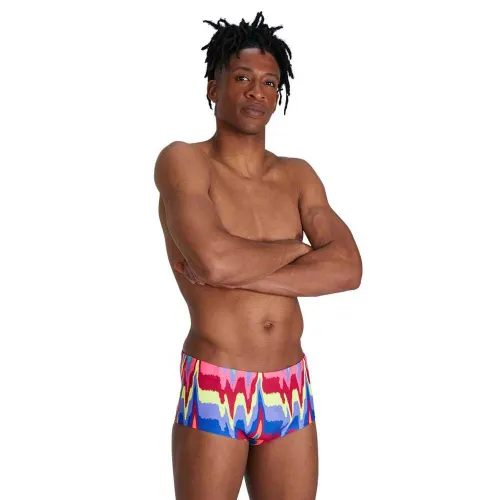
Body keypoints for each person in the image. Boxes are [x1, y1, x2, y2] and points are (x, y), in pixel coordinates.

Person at [154, 11, 362, 500]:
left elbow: (348, 268)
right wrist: (296, 249)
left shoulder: (298, 175)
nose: (257, 92)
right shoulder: (184, 160)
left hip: (290, 386)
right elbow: (214, 261)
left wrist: (236, 270)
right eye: (243, 78)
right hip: (217, 381)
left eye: (270, 82)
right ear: (213, 87)